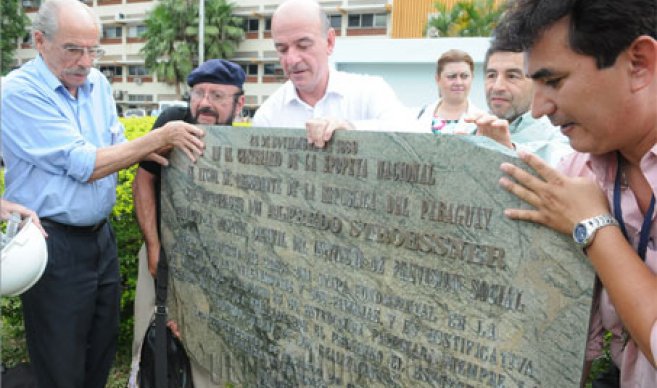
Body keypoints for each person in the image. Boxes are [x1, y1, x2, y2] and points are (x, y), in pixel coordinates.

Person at [0, 0, 204, 386]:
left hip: (100, 240)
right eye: (73, 48)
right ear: (39, 41)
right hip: (52, 244)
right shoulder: (17, 93)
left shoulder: (98, 84)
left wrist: (158, 152)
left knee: (100, 353)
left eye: (94, 49)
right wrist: (160, 136)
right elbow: (86, 163)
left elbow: (117, 148)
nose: (85, 61)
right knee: (61, 368)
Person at [492, 0, 657, 386]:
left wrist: (594, 228)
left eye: (553, 82)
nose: (538, 109)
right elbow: (564, 337)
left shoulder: (577, 201)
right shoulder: (577, 174)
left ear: (639, 63)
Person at [130, 59, 246, 388]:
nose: (205, 103)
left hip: (210, 267)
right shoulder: (173, 122)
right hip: (162, 257)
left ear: (240, 103)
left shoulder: (241, 146)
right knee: (153, 347)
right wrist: (154, 247)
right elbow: (143, 182)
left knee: (205, 360)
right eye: (199, 93)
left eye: (217, 95)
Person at [252, 0, 416, 147]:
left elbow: (412, 135)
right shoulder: (268, 115)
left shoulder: (370, 91)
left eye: (303, 45)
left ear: (329, 42)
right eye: (282, 49)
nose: (292, 60)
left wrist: (352, 128)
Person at [465, 47, 572, 166]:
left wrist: (509, 150)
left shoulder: (562, 133)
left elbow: (565, 165)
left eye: (512, 76)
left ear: (538, 83)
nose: (497, 86)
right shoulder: (469, 129)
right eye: (491, 75)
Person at [416, 49, 484, 134]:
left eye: (464, 76)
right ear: (437, 79)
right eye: (452, 76)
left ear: (472, 78)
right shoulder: (418, 116)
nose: (459, 82)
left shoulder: (483, 121)